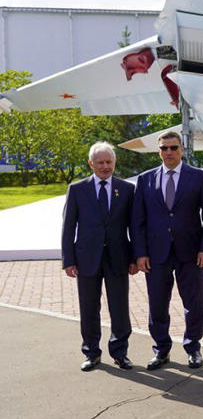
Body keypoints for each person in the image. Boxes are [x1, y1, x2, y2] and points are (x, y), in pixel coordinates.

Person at [132, 131, 203, 369]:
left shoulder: (198, 177)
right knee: (157, 303)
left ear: (182, 149)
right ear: (158, 151)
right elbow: (138, 221)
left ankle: (193, 348)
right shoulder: (145, 179)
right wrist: (141, 253)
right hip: (155, 254)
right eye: (164, 148)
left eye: (173, 147)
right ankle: (161, 350)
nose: (168, 152)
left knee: (193, 302)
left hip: (191, 252)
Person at [61, 142, 137, 371]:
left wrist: (134, 258)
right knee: (89, 307)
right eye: (101, 162)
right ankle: (91, 352)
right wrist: (68, 260)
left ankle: (120, 352)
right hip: (86, 258)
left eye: (109, 162)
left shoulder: (126, 189)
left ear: (115, 162)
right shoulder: (77, 189)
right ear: (90, 163)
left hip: (118, 258)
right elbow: (68, 227)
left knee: (119, 307)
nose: (105, 166)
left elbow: (134, 227)